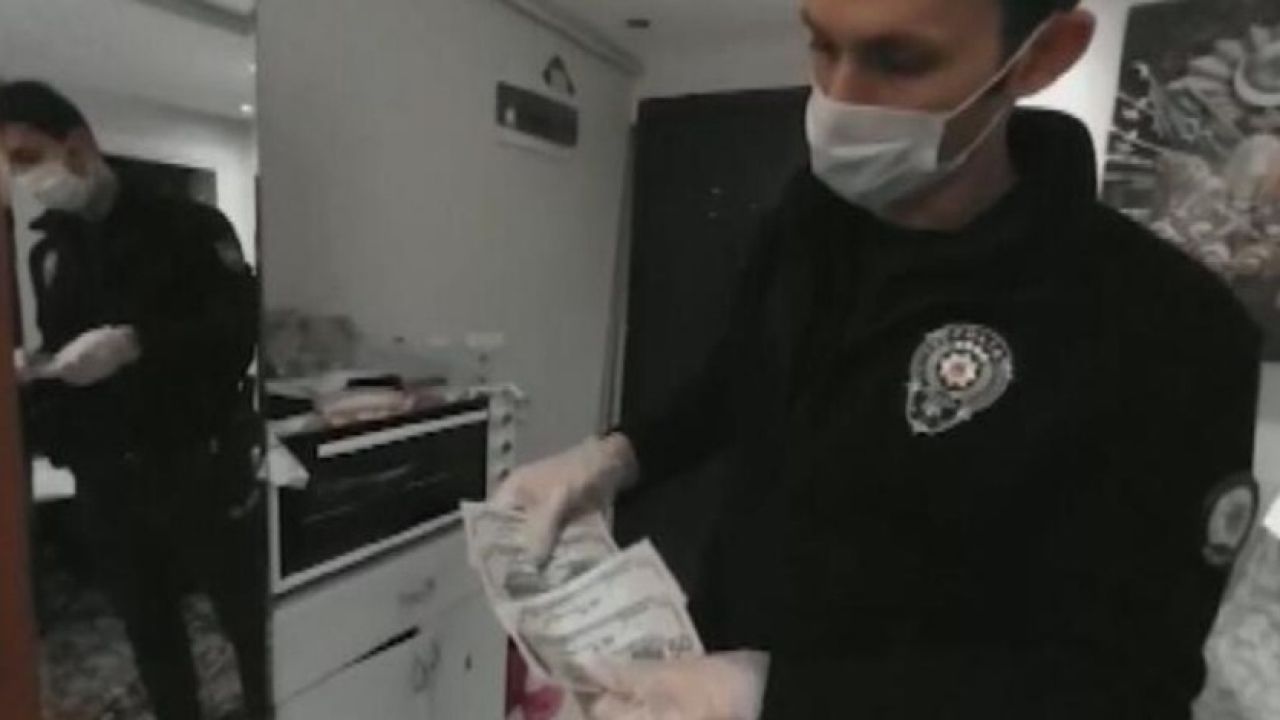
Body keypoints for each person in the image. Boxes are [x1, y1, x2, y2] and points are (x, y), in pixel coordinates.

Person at [494, 0, 1264, 718]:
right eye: (821, 44)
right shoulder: (809, 219)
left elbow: (1122, 684)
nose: (838, 101)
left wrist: (774, 693)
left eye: (898, 61)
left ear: (1041, 56)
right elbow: (743, 375)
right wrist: (617, 456)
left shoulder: (1172, 329)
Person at [1, 80, 267, 720]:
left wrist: (138, 342)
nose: (23, 178)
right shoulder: (50, 252)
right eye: (10, 166)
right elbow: (69, 355)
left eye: (28, 157)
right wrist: (38, 371)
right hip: (107, 484)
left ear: (78, 143)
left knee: (249, 622)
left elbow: (238, 329)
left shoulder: (188, 225)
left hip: (197, 465)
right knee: (150, 635)